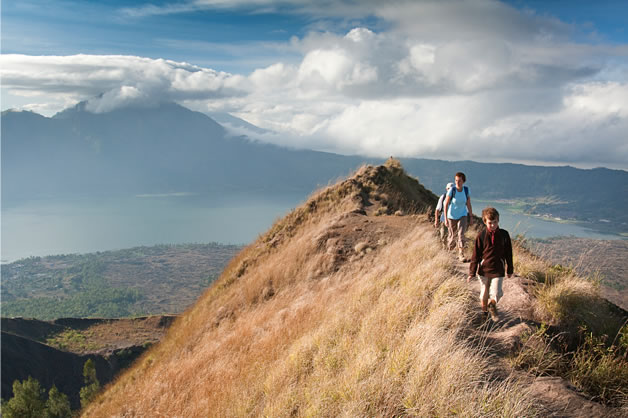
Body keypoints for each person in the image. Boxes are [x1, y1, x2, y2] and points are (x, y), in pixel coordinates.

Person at [467, 207, 514, 321]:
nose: (493, 225)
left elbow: (509, 253)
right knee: (484, 293)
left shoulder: (504, 235)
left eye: (495, 222)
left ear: (498, 221)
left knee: (497, 292)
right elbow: (475, 256)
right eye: (490, 223)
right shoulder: (481, 236)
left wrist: (510, 269)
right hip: (484, 270)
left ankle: (492, 305)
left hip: (498, 269)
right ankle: (484, 314)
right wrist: (472, 272)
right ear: (484, 222)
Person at [443, 172, 473, 262]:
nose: (457, 182)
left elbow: (468, 204)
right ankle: (449, 252)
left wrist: (470, 217)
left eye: (459, 181)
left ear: (463, 181)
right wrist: (445, 218)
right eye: (456, 180)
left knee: (461, 234)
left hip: (462, 215)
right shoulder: (452, 190)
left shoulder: (466, 190)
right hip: (451, 216)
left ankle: (461, 254)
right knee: (453, 236)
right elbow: (446, 204)